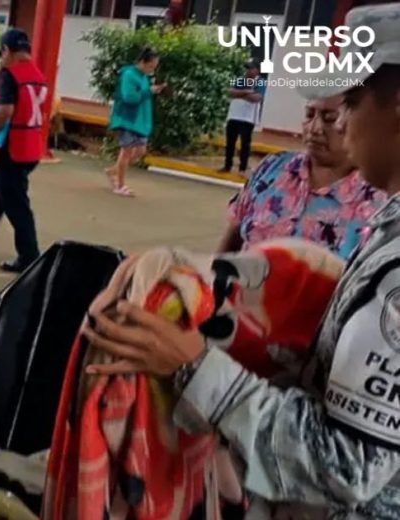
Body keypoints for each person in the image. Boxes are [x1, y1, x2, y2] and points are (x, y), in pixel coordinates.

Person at [84, 4, 400, 517]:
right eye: (318, 113)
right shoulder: (372, 221)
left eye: (354, 101)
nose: (338, 121)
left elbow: (347, 467)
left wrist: (192, 367)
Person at [219, 91, 385, 258]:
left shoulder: (376, 200)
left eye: (330, 119)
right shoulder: (272, 168)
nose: (315, 128)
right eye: (309, 115)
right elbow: (234, 233)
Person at [0, 28, 47, 273]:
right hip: (31, 147)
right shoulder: (37, 75)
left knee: (16, 205)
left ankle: (30, 256)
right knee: (0, 197)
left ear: (6, 51)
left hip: (11, 149)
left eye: (1, 53)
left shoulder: (9, 75)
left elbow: (5, 111)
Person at [105, 47, 165, 197]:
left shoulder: (143, 77)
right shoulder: (130, 75)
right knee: (127, 151)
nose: (152, 70)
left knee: (140, 150)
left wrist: (151, 91)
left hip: (139, 119)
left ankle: (114, 171)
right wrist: (149, 91)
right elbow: (129, 97)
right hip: (128, 118)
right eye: (151, 66)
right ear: (143, 62)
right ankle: (120, 183)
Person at [219, 60, 265, 177]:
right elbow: (230, 92)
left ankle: (242, 168)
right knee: (230, 142)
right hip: (234, 115)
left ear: (257, 70)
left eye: (251, 68)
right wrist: (246, 92)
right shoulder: (240, 80)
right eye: (247, 68)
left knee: (245, 144)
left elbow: (256, 98)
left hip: (248, 118)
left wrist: (240, 94)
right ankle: (227, 165)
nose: (248, 71)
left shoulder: (260, 82)